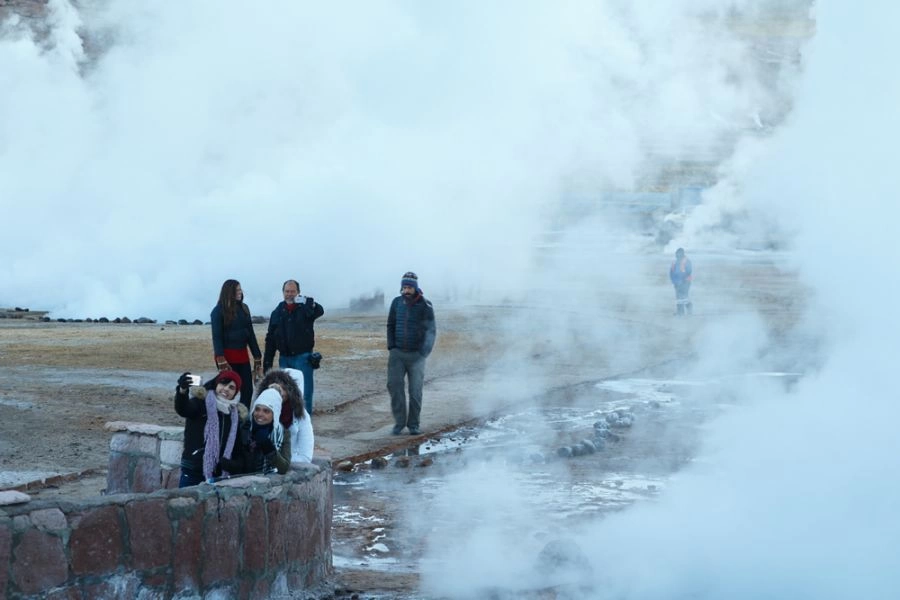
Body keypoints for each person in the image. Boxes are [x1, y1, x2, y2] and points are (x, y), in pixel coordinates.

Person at [173, 370, 248, 487]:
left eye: (231, 387)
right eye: (223, 383)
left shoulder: (233, 416)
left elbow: (237, 449)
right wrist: (182, 391)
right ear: (216, 384)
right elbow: (183, 409)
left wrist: (229, 464)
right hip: (193, 469)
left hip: (217, 475)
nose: (226, 389)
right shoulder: (200, 402)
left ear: (235, 393)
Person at [263, 279, 324, 416]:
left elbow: (319, 311)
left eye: (292, 291)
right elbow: (271, 339)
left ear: (298, 293)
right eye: (287, 291)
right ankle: (289, 427)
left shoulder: (305, 309)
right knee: (286, 395)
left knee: (305, 395)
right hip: (284, 359)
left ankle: (305, 430)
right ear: (283, 292)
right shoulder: (277, 312)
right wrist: (267, 362)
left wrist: (311, 303)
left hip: (304, 359)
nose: (289, 294)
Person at [386, 271, 436, 435]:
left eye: (409, 288)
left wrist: (424, 352)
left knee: (415, 392)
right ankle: (399, 423)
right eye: (404, 287)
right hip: (397, 354)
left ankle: (413, 425)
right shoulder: (396, 303)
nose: (406, 290)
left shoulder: (425, 305)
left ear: (415, 288)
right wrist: (392, 346)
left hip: (417, 356)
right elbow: (390, 325)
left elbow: (431, 330)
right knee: (395, 388)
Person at [211, 279, 263, 408]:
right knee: (227, 389)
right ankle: (225, 416)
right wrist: (221, 359)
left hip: (242, 355)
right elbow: (216, 337)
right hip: (226, 357)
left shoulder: (244, 308)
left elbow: (250, 334)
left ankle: (242, 417)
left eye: (240, 290)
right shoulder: (218, 311)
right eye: (237, 290)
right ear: (229, 292)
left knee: (247, 390)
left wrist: (257, 356)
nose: (240, 292)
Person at [221, 388, 292, 475]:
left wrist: (267, 446)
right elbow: (238, 462)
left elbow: (284, 468)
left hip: (269, 482)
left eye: (266, 411)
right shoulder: (244, 427)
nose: (260, 414)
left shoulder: (283, 433)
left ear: (275, 414)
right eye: (257, 409)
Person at [255, 367, 315, 463]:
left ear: (291, 391)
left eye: (283, 388)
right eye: (276, 387)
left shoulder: (301, 416)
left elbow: (306, 456)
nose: (279, 392)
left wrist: (279, 461)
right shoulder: (258, 410)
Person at [669, 248, 694, 316]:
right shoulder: (674, 262)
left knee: (683, 296)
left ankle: (689, 307)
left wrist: (681, 280)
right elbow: (671, 272)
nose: (678, 255)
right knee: (678, 297)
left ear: (682, 253)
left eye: (679, 253)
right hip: (677, 282)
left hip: (685, 282)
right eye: (677, 253)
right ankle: (680, 312)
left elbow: (689, 271)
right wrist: (674, 281)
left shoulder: (687, 261)